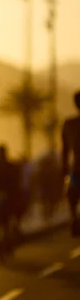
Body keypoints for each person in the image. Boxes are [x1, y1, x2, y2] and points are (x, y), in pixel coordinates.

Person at [61, 90, 80, 236]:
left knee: (71, 195)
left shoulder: (69, 124)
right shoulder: (69, 124)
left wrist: (64, 170)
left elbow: (65, 151)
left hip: (76, 170)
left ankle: (74, 217)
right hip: (75, 171)